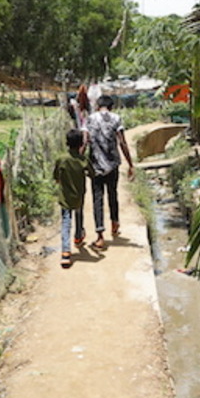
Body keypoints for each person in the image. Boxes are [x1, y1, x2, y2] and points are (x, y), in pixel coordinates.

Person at [81, 94, 134, 249]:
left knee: (97, 198)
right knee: (113, 193)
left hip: (95, 165)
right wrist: (130, 163)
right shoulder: (116, 118)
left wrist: (79, 161)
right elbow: (122, 142)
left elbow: (84, 142)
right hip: (112, 164)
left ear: (98, 106)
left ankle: (100, 236)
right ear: (111, 107)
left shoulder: (90, 119)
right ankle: (115, 223)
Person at [53, 129, 90, 268]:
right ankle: (78, 237)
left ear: (67, 142)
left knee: (66, 222)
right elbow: (92, 173)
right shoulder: (83, 160)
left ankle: (66, 253)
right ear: (81, 144)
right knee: (79, 215)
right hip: (79, 195)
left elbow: (56, 177)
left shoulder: (61, 159)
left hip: (65, 197)